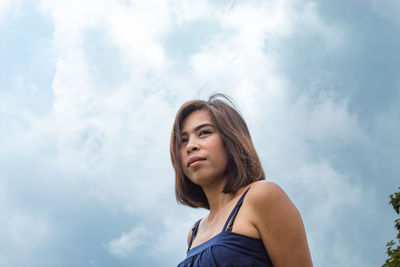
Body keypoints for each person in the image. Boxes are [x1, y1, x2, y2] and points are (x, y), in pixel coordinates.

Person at [170, 94, 313, 267]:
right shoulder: (194, 232)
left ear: (231, 139)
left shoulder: (262, 196)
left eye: (204, 133)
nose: (190, 146)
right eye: (183, 140)